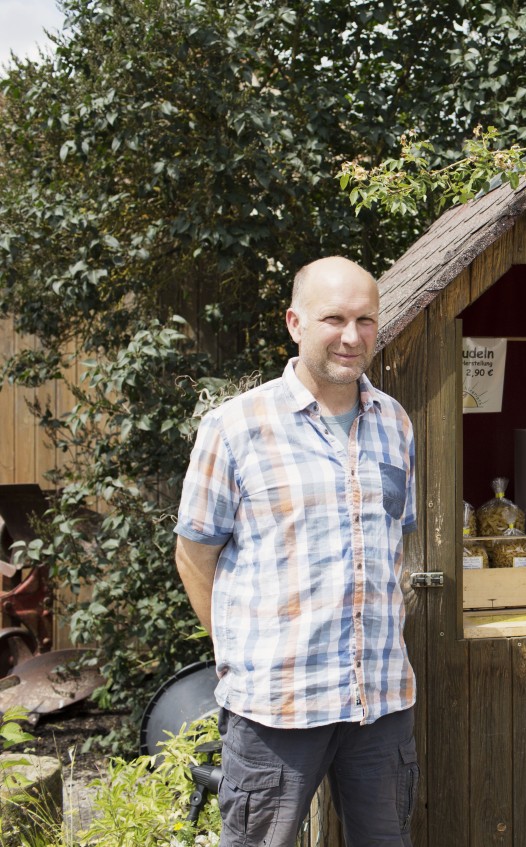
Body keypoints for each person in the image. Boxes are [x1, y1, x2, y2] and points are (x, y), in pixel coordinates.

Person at [175, 256, 419, 847]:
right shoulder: (235, 427)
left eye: (365, 320)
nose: (351, 336)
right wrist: (239, 653)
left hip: (380, 703)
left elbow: (395, 546)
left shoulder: (395, 423)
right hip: (275, 710)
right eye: (334, 318)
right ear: (295, 323)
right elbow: (194, 556)